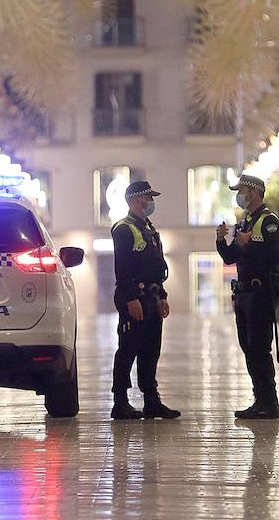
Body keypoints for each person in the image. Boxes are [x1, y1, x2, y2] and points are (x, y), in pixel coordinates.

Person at [110, 178, 181, 421]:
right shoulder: (123, 228)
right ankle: (120, 402)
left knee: (151, 350)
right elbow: (122, 268)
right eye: (148, 198)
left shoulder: (149, 229)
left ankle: (151, 400)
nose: (151, 202)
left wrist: (161, 296)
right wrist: (131, 299)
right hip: (134, 297)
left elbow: (157, 268)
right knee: (128, 349)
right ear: (135, 200)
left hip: (151, 297)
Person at [217, 172, 279, 420]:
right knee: (248, 347)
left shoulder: (270, 222)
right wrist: (221, 241)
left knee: (259, 348)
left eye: (242, 191)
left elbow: (274, 255)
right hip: (244, 294)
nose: (239, 196)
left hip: (260, 293)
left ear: (254, 192)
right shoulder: (245, 223)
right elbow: (230, 257)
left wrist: (249, 245)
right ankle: (260, 399)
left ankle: (270, 402)